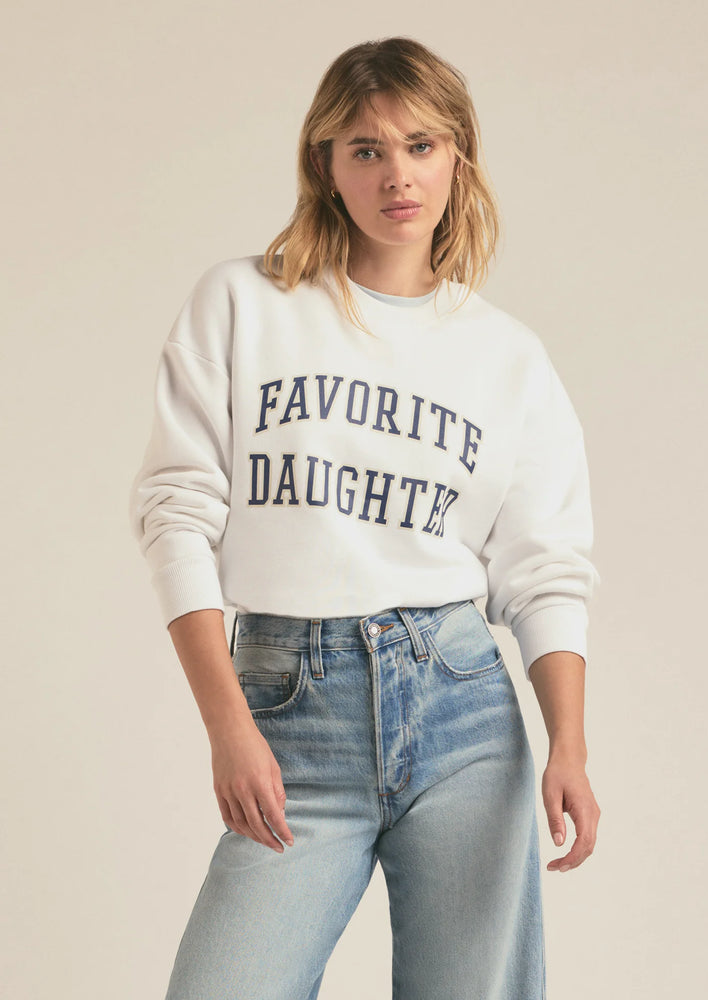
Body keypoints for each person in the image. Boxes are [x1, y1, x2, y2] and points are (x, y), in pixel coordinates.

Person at [129, 36, 601, 1000]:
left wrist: (569, 744)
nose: (397, 176)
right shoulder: (242, 303)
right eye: (366, 150)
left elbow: (543, 567)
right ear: (325, 163)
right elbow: (176, 516)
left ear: (457, 156)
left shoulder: (506, 357)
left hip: (463, 711)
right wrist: (227, 726)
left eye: (421, 146)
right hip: (290, 707)